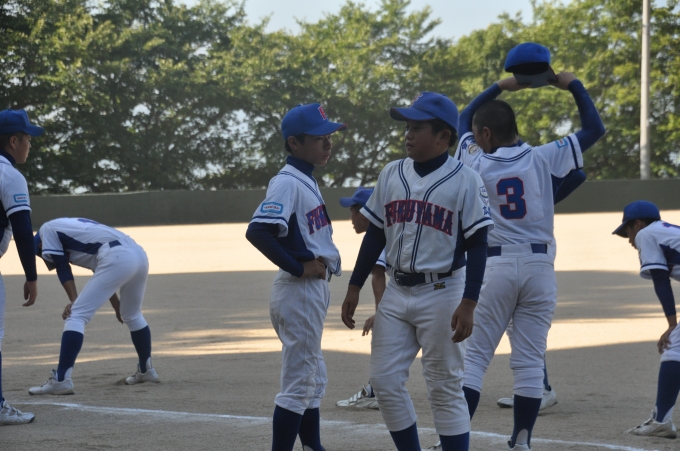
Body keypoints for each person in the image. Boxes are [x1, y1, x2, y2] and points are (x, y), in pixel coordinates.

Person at [453, 58, 605, 450]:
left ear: (486, 134)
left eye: (477, 133)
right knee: (529, 362)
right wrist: (572, 84)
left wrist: (501, 86)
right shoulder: (542, 156)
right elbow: (594, 129)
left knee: (474, 360)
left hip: (495, 266)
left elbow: (463, 117)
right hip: (540, 268)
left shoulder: (475, 160)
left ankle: (455, 442)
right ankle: (521, 442)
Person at [341, 92, 494, 451]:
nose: (408, 134)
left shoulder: (466, 180)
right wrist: (355, 285)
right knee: (383, 381)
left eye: (417, 128)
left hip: (443, 292)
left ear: (443, 136)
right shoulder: (392, 173)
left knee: (443, 387)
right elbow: (375, 233)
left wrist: (469, 302)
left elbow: (478, 244)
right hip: (396, 291)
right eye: (407, 127)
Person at [245, 103, 345, 451]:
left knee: (313, 379)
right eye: (319, 138)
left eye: (329, 136)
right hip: (299, 289)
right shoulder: (287, 182)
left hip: (307, 292)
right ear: (294, 143)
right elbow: (258, 231)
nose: (327, 143)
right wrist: (298, 266)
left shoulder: (304, 177)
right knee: (299, 384)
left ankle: (313, 447)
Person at [29, 217, 158, 395]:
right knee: (132, 314)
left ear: (40, 245)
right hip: (138, 254)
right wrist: (116, 304)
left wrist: (74, 301)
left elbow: (62, 267)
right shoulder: (70, 227)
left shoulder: (47, 230)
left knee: (76, 315)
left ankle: (61, 380)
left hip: (116, 256)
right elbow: (101, 269)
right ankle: (146, 371)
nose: (46, 257)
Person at [613, 200, 680, 439]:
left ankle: (660, 421)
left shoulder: (647, 234)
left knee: (674, 346)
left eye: (628, 231)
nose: (630, 240)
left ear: (639, 224)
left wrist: (672, 325)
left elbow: (661, 280)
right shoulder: (667, 231)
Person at [0, 109, 42, 425]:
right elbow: (24, 232)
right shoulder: (10, 175)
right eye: (28, 138)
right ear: (13, 141)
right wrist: (31, 276)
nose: (30, 144)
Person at [335, 187, 386, 410]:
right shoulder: (388, 228)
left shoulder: (379, 234)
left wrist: (381, 313)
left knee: (383, 333)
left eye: (353, 211)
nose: (351, 218)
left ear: (366, 213)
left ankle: (376, 392)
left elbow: (378, 275)